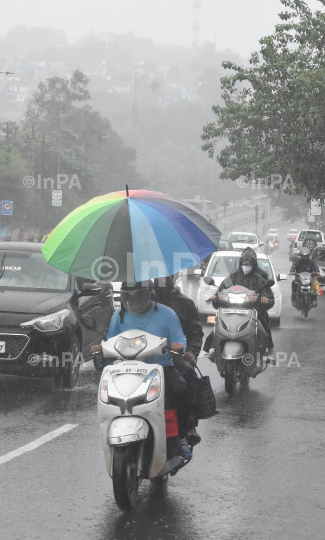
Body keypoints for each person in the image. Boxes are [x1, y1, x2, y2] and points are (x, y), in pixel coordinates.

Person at [105, 281, 193, 460]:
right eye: (128, 297)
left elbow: (180, 340)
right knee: (108, 396)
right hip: (126, 369)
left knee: (181, 391)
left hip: (160, 368)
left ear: (148, 295)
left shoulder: (167, 314)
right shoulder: (119, 316)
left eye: (137, 296)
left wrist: (178, 345)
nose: (133, 301)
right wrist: (100, 351)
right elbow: (110, 342)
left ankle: (182, 436)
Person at [153, 274, 204, 446]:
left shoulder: (185, 303)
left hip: (173, 357)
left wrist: (191, 352)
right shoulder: (143, 300)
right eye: (158, 276)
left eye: (166, 277)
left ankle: (188, 426)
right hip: (144, 358)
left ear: (173, 278)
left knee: (188, 377)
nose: (162, 280)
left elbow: (195, 332)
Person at [204, 249, 276, 360]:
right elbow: (222, 289)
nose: (246, 266)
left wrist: (265, 299)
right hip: (232, 308)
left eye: (249, 263)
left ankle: (270, 350)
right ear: (240, 263)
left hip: (254, 309)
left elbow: (268, 296)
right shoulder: (233, 277)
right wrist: (215, 297)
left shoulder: (259, 279)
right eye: (244, 263)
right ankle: (214, 347)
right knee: (217, 321)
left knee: (263, 321)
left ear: (254, 264)